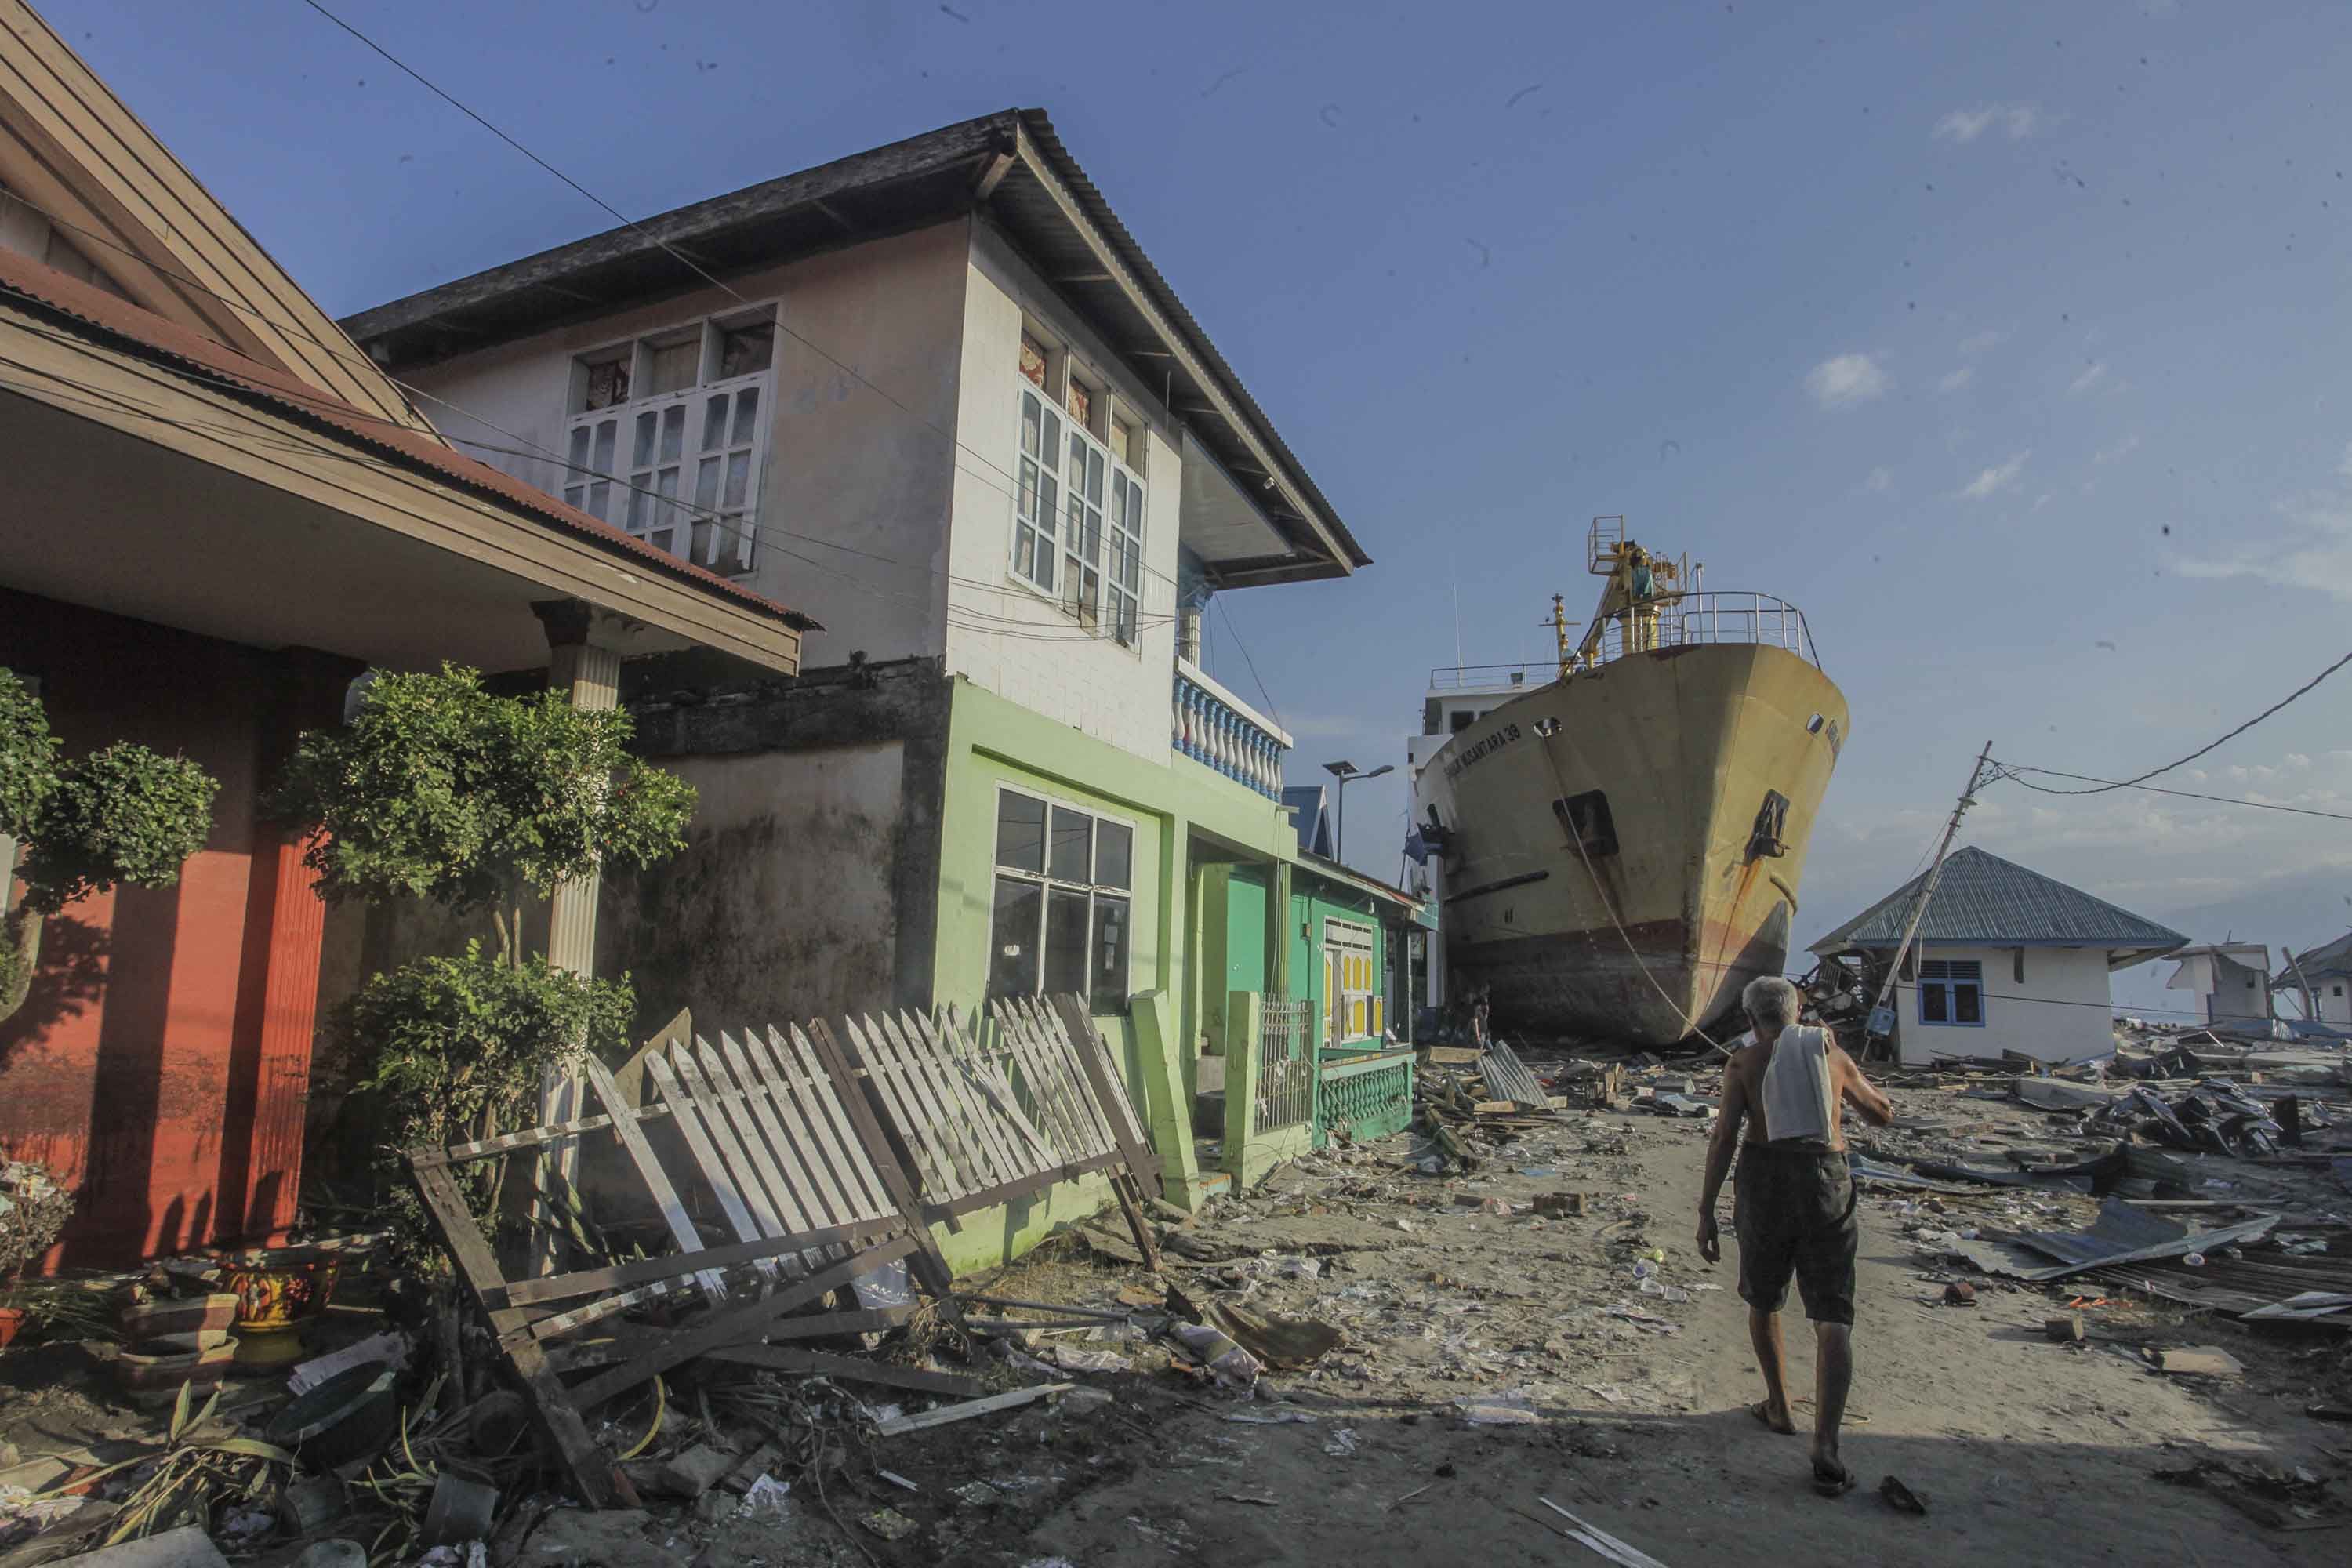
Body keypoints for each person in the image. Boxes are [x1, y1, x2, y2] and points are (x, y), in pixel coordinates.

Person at [1695, 975, 1893, 1497]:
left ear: (1748, 1020)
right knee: (1833, 1317)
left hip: (1764, 1179)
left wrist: (1706, 1211)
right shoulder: (1829, 1056)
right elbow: (1883, 1114)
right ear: (1798, 1010)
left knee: (1764, 1299)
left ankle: (1780, 1406)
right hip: (1826, 1178)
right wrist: (1845, 1066)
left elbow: (1723, 1139)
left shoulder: (1742, 1064)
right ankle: (1826, 1444)